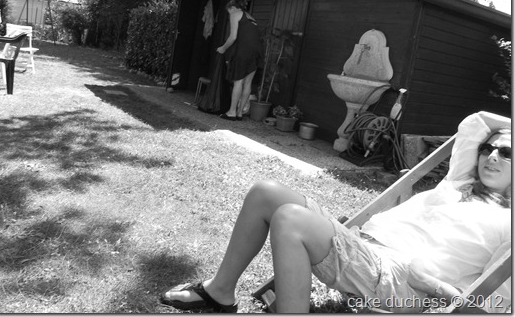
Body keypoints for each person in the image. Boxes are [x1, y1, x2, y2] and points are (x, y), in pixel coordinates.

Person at [160, 111, 511, 313]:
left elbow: (498, 300)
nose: (492, 156)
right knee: (265, 192)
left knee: (290, 219)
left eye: (506, 152)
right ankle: (221, 291)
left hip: (400, 278)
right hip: (365, 247)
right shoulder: (457, 184)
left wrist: (438, 289)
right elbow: (476, 123)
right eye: (488, 149)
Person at [216, 0, 262, 121]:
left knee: (238, 81)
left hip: (243, 52)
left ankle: (231, 112)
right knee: (248, 82)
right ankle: (240, 113)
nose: (229, 14)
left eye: (228, 11)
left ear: (232, 7)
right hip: (256, 52)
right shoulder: (251, 18)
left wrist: (223, 48)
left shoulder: (235, 14)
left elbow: (233, 37)